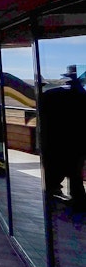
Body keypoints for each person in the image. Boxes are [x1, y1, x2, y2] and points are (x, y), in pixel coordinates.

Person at [40, 65, 86, 209]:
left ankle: (53, 193)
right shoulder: (83, 96)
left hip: (54, 140)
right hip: (77, 141)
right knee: (75, 173)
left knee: (55, 169)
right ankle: (78, 201)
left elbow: (44, 117)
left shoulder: (51, 95)